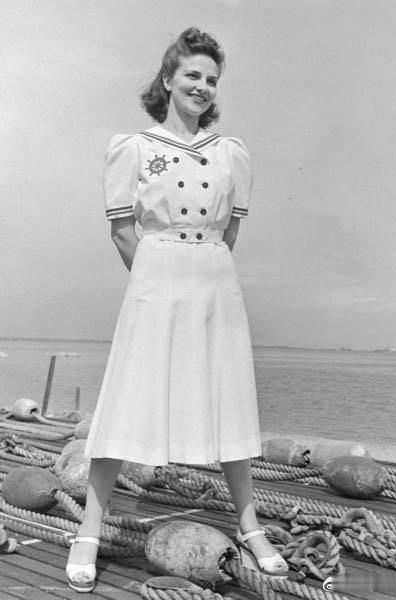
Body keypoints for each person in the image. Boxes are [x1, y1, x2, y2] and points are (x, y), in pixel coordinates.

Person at [66, 27, 288, 593]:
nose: (202, 86)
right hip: (155, 278)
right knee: (127, 403)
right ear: (167, 79)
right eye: (192, 74)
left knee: (228, 401)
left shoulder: (231, 153)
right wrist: (157, 280)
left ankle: (250, 527)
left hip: (213, 280)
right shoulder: (134, 148)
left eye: (212, 79)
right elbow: (122, 231)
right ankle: (89, 530)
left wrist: (198, 272)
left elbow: (229, 232)